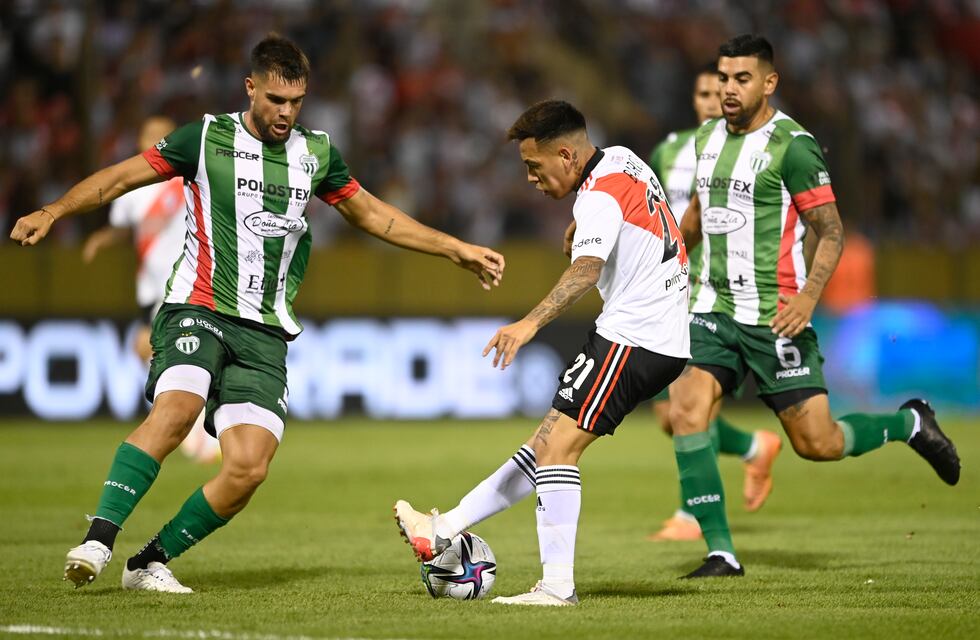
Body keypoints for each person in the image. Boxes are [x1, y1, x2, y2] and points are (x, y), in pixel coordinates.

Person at [10, 34, 505, 594]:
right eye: (275, 100)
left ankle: (148, 562)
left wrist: (454, 249)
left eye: (296, 101)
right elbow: (120, 178)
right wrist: (54, 210)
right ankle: (98, 539)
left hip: (265, 330)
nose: (286, 113)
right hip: (198, 305)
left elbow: (373, 215)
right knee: (177, 409)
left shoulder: (316, 154)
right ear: (251, 88)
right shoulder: (205, 138)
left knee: (248, 468)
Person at [669, 34, 960, 579]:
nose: (729, 89)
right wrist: (654, 259)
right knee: (685, 409)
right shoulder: (707, 138)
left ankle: (909, 423)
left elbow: (831, 231)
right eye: (724, 78)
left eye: (742, 79)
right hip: (712, 307)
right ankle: (721, 552)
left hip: (776, 315)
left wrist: (807, 298)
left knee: (818, 443)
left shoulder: (793, 147)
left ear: (769, 82)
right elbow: (696, 220)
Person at [395, 100, 690, 606]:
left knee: (557, 451)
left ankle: (556, 587)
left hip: (636, 335)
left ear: (566, 155)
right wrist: (583, 226)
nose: (531, 178)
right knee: (544, 444)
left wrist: (528, 323)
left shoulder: (597, 198)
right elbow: (637, 212)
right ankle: (443, 528)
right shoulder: (622, 159)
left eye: (535, 166)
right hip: (656, 333)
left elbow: (587, 270)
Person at [646, 63, 781, 542]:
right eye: (703, 93)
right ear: (693, 98)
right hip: (669, 286)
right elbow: (650, 208)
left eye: (716, 91)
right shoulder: (669, 151)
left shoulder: (750, 151)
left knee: (693, 405)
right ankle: (752, 447)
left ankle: (692, 515)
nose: (710, 101)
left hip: (715, 292)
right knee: (669, 415)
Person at [82, 116, 220, 465]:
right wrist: (101, 240)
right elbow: (122, 228)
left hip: (184, 282)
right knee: (150, 349)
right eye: (149, 135)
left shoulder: (189, 178)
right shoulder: (134, 188)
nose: (154, 140)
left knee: (155, 348)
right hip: (149, 284)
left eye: (162, 135)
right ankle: (191, 425)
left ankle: (195, 432)